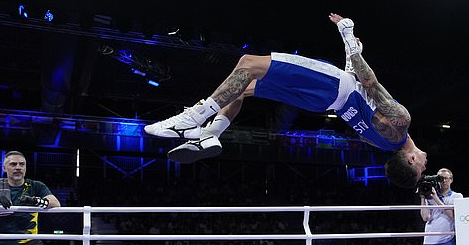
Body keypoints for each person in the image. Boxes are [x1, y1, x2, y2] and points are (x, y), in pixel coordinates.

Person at [144, 13, 427, 188]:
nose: (426, 165)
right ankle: (210, 134)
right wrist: (351, 55)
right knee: (244, 88)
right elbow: (359, 98)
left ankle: (192, 119)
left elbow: (369, 84)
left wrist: (349, 37)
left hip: (329, 86)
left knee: (248, 63)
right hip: (325, 102)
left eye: (421, 168)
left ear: (411, 159)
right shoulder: (378, 143)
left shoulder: (400, 123)